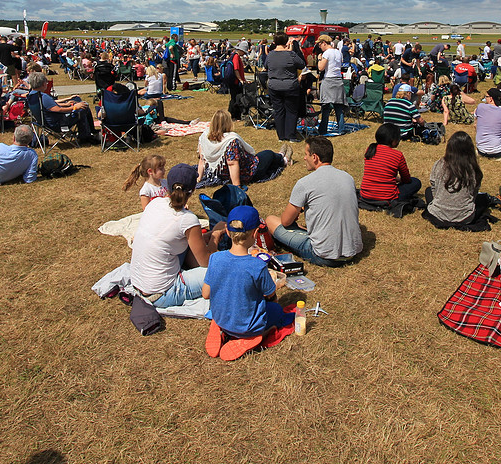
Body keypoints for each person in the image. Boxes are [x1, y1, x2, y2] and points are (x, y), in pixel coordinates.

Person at [202, 205, 295, 360]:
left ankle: (221, 328)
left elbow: (206, 294)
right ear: (256, 233)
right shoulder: (257, 265)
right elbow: (270, 294)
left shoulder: (215, 259)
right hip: (249, 327)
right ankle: (255, 336)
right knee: (277, 311)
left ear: (227, 232)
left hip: (222, 317)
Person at [130, 164, 226, 308]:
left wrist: (209, 235)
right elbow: (207, 262)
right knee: (224, 272)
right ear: (193, 190)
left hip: (139, 282)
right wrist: (216, 235)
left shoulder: (154, 203)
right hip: (162, 293)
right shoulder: (187, 219)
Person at [264, 136, 363, 267]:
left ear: (315, 157)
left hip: (324, 255)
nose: (304, 158)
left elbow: (286, 221)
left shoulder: (305, 183)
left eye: (306, 154)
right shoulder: (348, 178)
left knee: (271, 220)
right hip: (352, 251)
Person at [197, 109, 292, 186]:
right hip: (249, 172)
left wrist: (199, 178)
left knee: (265, 157)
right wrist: (236, 186)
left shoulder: (204, 137)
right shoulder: (230, 141)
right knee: (268, 154)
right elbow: (232, 164)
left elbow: (202, 159)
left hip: (223, 173)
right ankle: (283, 159)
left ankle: (282, 156)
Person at [423, 131, 484, 229]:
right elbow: (474, 194)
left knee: (428, 191)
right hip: (465, 217)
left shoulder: (439, 164)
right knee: (484, 199)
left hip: (438, 214)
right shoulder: (473, 169)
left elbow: (434, 187)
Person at [27, 71, 98, 144]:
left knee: (78, 103)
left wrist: (67, 102)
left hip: (44, 122)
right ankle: (86, 136)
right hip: (57, 123)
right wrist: (74, 108)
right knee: (84, 107)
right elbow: (57, 109)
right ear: (43, 84)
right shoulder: (43, 97)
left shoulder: (32, 95)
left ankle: (87, 133)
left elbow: (50, 106)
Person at [359, 123, 421, 203]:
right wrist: (400, 180)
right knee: (416, 182)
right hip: (387, 198)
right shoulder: (397, 155)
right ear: (393, 140)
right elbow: (406, 179)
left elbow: (378, 171)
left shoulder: (370, 150)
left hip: (365, 195)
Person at [265, 32, 306, 142]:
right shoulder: (290, 54)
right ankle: (290, 135)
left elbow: (265, 66)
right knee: (291, 111)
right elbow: (302, 64)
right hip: (290, 85)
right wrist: (292, 51)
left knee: (278, 111)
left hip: (274, 85)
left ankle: (281, 136)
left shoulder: (270, 55)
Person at [316, 35, 346, 135]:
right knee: (338, 107)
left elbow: (321, 68)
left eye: (320, 44)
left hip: (328, 80)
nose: (319, 46)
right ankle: (341, 128)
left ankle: (323, 129)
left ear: (324, 42)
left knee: (325, 106)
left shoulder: (326, 53)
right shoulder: (338, 52)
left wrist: (319, 59)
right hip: (338, 79)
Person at [475, 88, 501, 158]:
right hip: (497, 151)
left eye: (486, 97)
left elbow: (475, 125)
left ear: (491, 99)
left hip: (481, 149)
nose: (485, 98)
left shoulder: (480, 107)